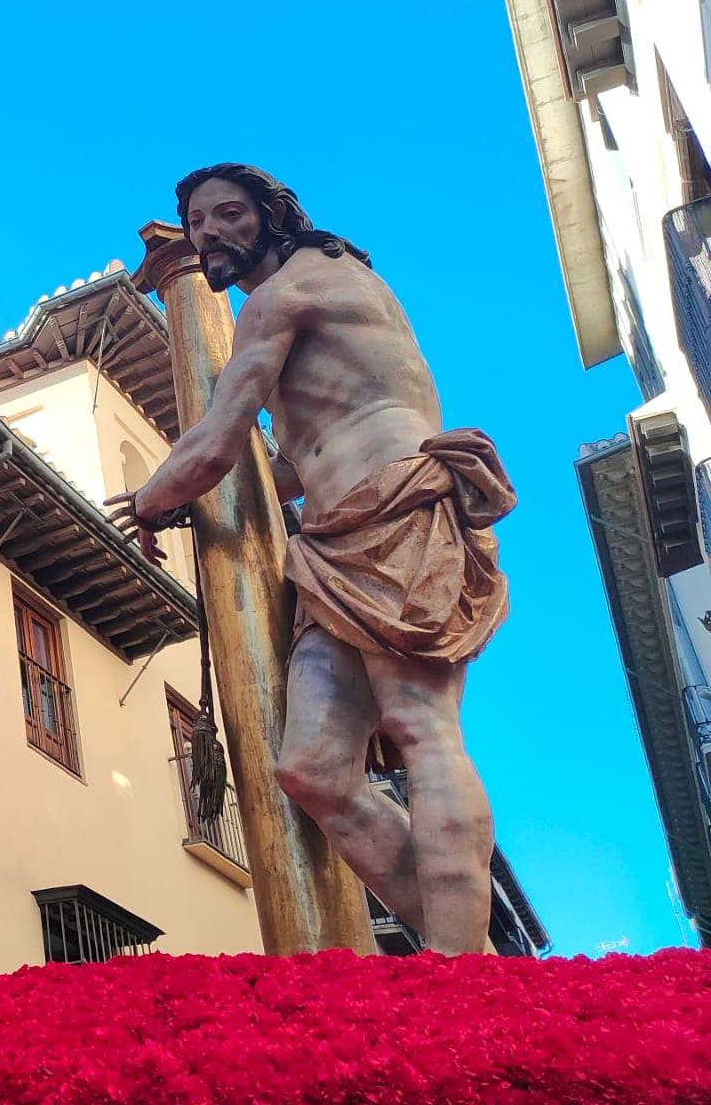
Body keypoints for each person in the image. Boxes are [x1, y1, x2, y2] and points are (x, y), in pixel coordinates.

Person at [107, 164, 512, 954]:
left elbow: (222, 438)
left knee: (420, 728)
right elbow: (291, 463)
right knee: (314, 768)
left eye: (228, 214)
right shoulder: (305, 300)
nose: (210, 233)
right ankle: (477, 957)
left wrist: (149, 500)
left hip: (395, 505)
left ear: (272, 214)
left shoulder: (290, 289)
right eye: (196, 224)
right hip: (329, 543)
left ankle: (464, 971)